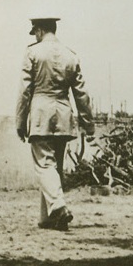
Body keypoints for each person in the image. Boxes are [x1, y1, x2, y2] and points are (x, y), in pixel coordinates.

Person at [16, 17, 94, 230]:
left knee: (44, 165)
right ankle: (48, 218)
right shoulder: (71, 55)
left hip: (41, 113)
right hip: (63, 114)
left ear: (39, 30)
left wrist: (20, 121)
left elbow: (25, 91)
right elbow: (81, 93)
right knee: (54, 167)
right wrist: (88, 122)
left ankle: (58, 206)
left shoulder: (33, 52)